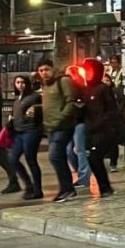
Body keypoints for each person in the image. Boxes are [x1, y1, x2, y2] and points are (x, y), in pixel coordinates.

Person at [37, 59, 80, 202]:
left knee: (54, 155)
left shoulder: (63, 81)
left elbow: (71, 101)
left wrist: (61, 117)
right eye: (41, 71)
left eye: (46, 69)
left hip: (63, 126)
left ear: (53, 69)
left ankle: (67, 189)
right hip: (51, 127)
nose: (44, 73)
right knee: (58, 156)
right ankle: (67, 188)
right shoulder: (45, 85)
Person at [79, 59, 121, 198]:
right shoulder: (86, 89)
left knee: (95, 158)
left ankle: (105, 188)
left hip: (103, 130)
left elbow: (111, 110)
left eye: (89, 70)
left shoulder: (103, 89)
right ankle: (104, 187)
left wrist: (100, 123)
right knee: (93, 159)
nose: (87, 73)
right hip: (91, 130)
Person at [8, 75, 44, 200]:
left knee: (30, 159)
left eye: (23, 82)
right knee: (12, 159)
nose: (20, 85)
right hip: (19, 132)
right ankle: (28, 185)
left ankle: (37, 189)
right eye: (17, 82)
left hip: (31, 130)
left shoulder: (34, 97)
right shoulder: (17, 99)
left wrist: (36, 110)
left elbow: (42, 108)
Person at [106, 54, 124, 172]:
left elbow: (121, 92)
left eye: (114, 62)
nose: (113, 64)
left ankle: (113, 162)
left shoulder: (122, 73)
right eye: (111, 62)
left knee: (113, 140)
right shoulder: (110, 72)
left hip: (115, 113)